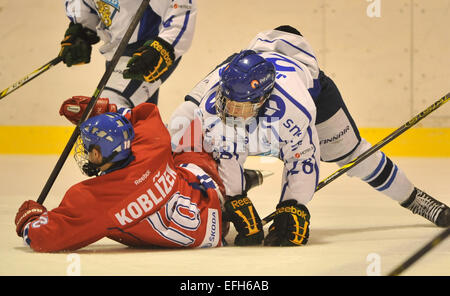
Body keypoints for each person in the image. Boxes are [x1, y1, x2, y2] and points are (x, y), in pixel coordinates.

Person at [167, 25, 450, 247]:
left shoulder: (295, 107)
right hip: (245, 76)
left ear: (263, 99)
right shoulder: (216, 100)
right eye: (227, 103)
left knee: (355, 156)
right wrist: (236, 196)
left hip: (313, 90)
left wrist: (293, 205)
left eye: (240, 107)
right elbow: (227, 149)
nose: (230, 111)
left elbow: (302, 157)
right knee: (186, 123)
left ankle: (415, 199)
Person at [14, 99, 226, 252]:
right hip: (210, 192)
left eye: (88, 147)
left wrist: (29, 221)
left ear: (97, 153)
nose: (86, 151)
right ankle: (240, 181)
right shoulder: (152, 143)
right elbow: (143, 114)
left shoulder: (94, 199)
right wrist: (106, 110)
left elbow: (44, 238)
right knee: (193, 128)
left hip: (204, 237)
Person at [60, 0, 197, 107]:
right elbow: (81, 3)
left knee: (110, 107)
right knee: (140, 121)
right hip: (116, 50)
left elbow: (182, 9)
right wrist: (81, 30)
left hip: (150, 49)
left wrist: (164, 47)